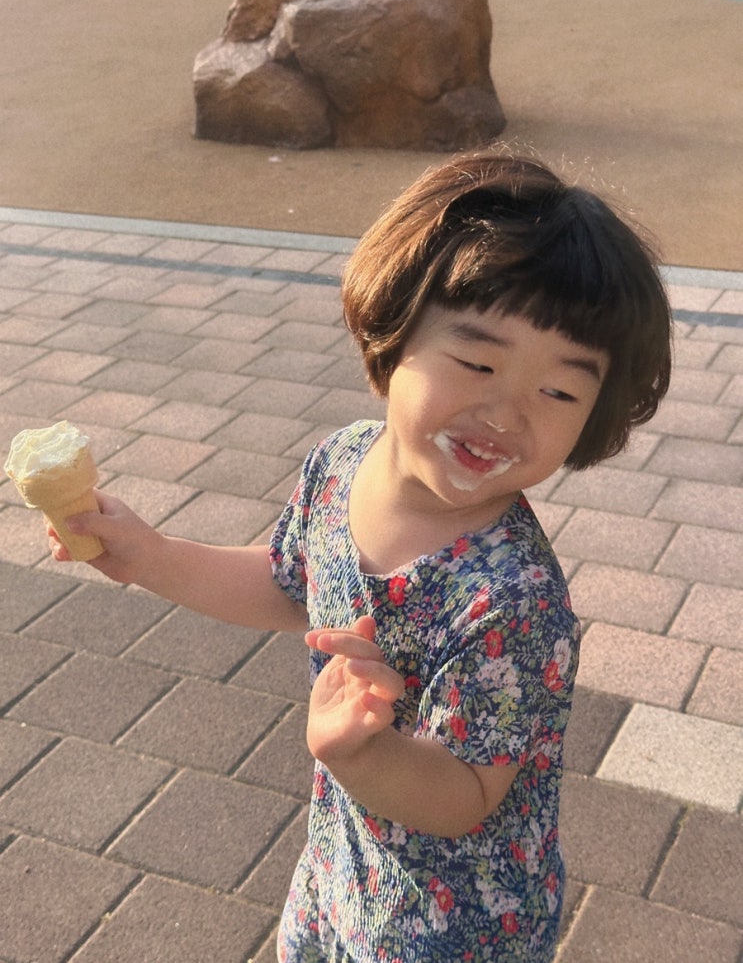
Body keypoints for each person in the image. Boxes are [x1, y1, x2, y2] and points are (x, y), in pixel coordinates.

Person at [49, 149, 673, 962]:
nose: (505, 412)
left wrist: (361, 752)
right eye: (477, 362)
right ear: (395, 330)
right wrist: (150, 556)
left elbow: (465, 791)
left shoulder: (511, 601)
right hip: (345, 864)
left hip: (457, 928)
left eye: (558, 391)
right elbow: (289, 583)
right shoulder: (344, 461)